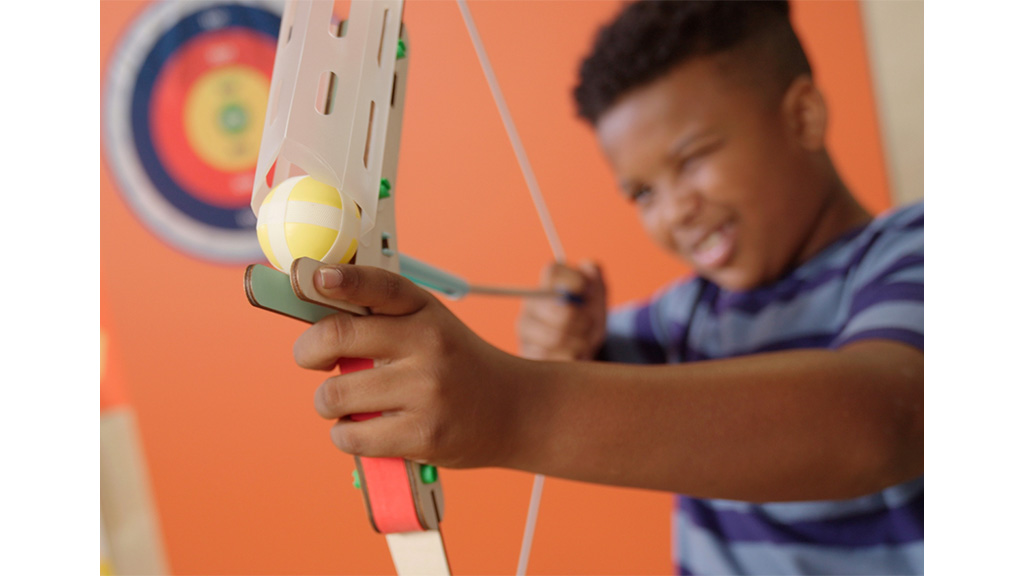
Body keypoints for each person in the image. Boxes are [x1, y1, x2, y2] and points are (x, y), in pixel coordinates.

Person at [292, 1, 923, 574]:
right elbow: (591, 383)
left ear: (803, 116)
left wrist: (512, 406)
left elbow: (878, 425)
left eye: (693, 158)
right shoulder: (688, 316)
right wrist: (566, 342)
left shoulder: (913, 251)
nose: (675, 211)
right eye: (643, 192)